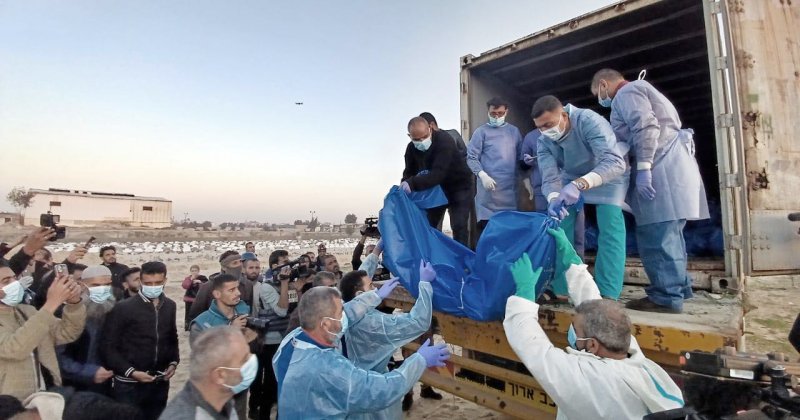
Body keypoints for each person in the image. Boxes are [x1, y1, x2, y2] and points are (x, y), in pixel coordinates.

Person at [503, 227, 683, 419]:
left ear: (592, 344)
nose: (573, 333)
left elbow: (532, 347)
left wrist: (523, 297)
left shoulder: (589, 378)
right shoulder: (637, 359)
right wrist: (574, 266)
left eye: (576, 330)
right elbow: (596, 307)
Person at [591, 68, 710, 313]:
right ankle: (679, 289)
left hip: (658, 171)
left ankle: (666, 298)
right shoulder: (642, 90)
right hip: (671, 167)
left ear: (604, 84)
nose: (600, 99)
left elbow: (645, 127)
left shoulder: (627, 93)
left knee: (656, 236)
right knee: (671, 235)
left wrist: (643, 167)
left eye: (597, 94)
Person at [273, 286, 450, 419]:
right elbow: (383, 391)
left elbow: (350, 314)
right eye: (339, 312)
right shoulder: (328, 368)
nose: (343, 316)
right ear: (325, 324)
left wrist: (375, 296)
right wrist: (420, 359)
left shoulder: (292, 340)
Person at [532, 95, 628, 300]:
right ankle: (563, 288)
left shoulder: (588, 121)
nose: (545, 131)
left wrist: (580, 184)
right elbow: (549, 177)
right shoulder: (544, 141)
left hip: (608, 174)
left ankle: (608, 293)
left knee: (610, 227)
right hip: (572, 177)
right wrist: (554, 198)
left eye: (548, 124)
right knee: (561, 230)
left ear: (564, 115)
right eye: (540, 127)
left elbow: (614, 162)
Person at [338, 263, 435, 420]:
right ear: (360, 294)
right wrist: (424, 283)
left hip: (351, 391)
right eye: (371, 286)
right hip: (376, 392)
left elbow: (356, 281)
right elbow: (419, 322)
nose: (376, 290)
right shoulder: (373, 324)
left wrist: (376, 251)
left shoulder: (343, 312)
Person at [101, 261, 179, 420]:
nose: (153, 286)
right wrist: (132, 372)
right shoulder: (123, 308)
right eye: (148, 283)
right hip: (129, 385)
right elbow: (108, 347)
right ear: (141, 281)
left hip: (159, 382)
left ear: (165, 281)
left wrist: (173, 362)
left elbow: (171, 336)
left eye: (158, 283)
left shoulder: (170, 306)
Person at [0, 261, 85, 401]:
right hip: (9, 404)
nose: (15, 283)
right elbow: (14, 349)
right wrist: (51, 303)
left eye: (14, 278)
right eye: (6, 281)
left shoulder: (27, 311)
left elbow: (68, 332)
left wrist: (73, 303)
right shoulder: (39, 314)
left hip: (44, 395)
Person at [189, 274, 255, 420]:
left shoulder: (244, 313)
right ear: (217, 294)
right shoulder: (201, 324)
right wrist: (231, 329)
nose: (238, 293)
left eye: (237, 288)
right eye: (231, 290)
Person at [401, 116, 473, 247]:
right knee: (428, 225)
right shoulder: (411, 149)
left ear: (430, 129)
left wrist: (411, 184)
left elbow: (438, 174)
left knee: (459, 225)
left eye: (424, 137)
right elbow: (409, 172)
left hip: (459, 187)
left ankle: (463, 262)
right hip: (437, 190)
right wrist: (404, 185)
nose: (421, 142)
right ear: (409, 136)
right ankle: (431, 260)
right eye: (416, 139)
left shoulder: (444, 141)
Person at [159, 326, 256, 420]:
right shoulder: (187, 416)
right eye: (244, 360)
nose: (251, 361)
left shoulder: (224, 401)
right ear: (220, 375)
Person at [467, 96, 523, 239]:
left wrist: (526, 178)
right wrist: (482, 175)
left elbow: (520, 159)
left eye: (500, 113)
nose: (496, 116)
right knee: (488, 238)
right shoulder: (481, 132)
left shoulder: (514, 132)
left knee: (508, 238)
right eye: (493, 114)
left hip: (509, 195)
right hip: (488, 197)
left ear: (506, 112)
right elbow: (471, 157)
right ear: (488, 112)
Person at [56, 265, 117, 395]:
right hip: (77, 385)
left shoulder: (117, 309)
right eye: (96, 285)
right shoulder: (66, 313)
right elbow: (58, 356)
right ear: (83, 285)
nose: (102, 289)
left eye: (106, 285)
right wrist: (88, 372)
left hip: (110, 383)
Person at [252, 259, 291, 420]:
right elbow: (282, 311)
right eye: (283, 264)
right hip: (270, 341)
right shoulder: (267, 287)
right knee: (269, 382)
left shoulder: (283, 283)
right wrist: (284, 284)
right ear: (274, 266)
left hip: (283, 337)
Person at [189, 251, 254, 321]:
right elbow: (195, 315)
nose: (239, 265)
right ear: (224, 267)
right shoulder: (208, 287)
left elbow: (249, 310)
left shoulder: (247, 285)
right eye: (235, 263)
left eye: (240, 262)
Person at [181, 265, 205, 331]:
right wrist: (191, 280)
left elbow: (206, 287)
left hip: (200, 300)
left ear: (198, 271)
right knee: (189, 314)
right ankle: (189, 327)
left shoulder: (203, 278)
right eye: (192, 271)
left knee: (199, 314)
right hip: (189, 300)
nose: (194, 272)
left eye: (195, 270)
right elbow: (185, 286)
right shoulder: (188, 278)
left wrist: (200, 282)